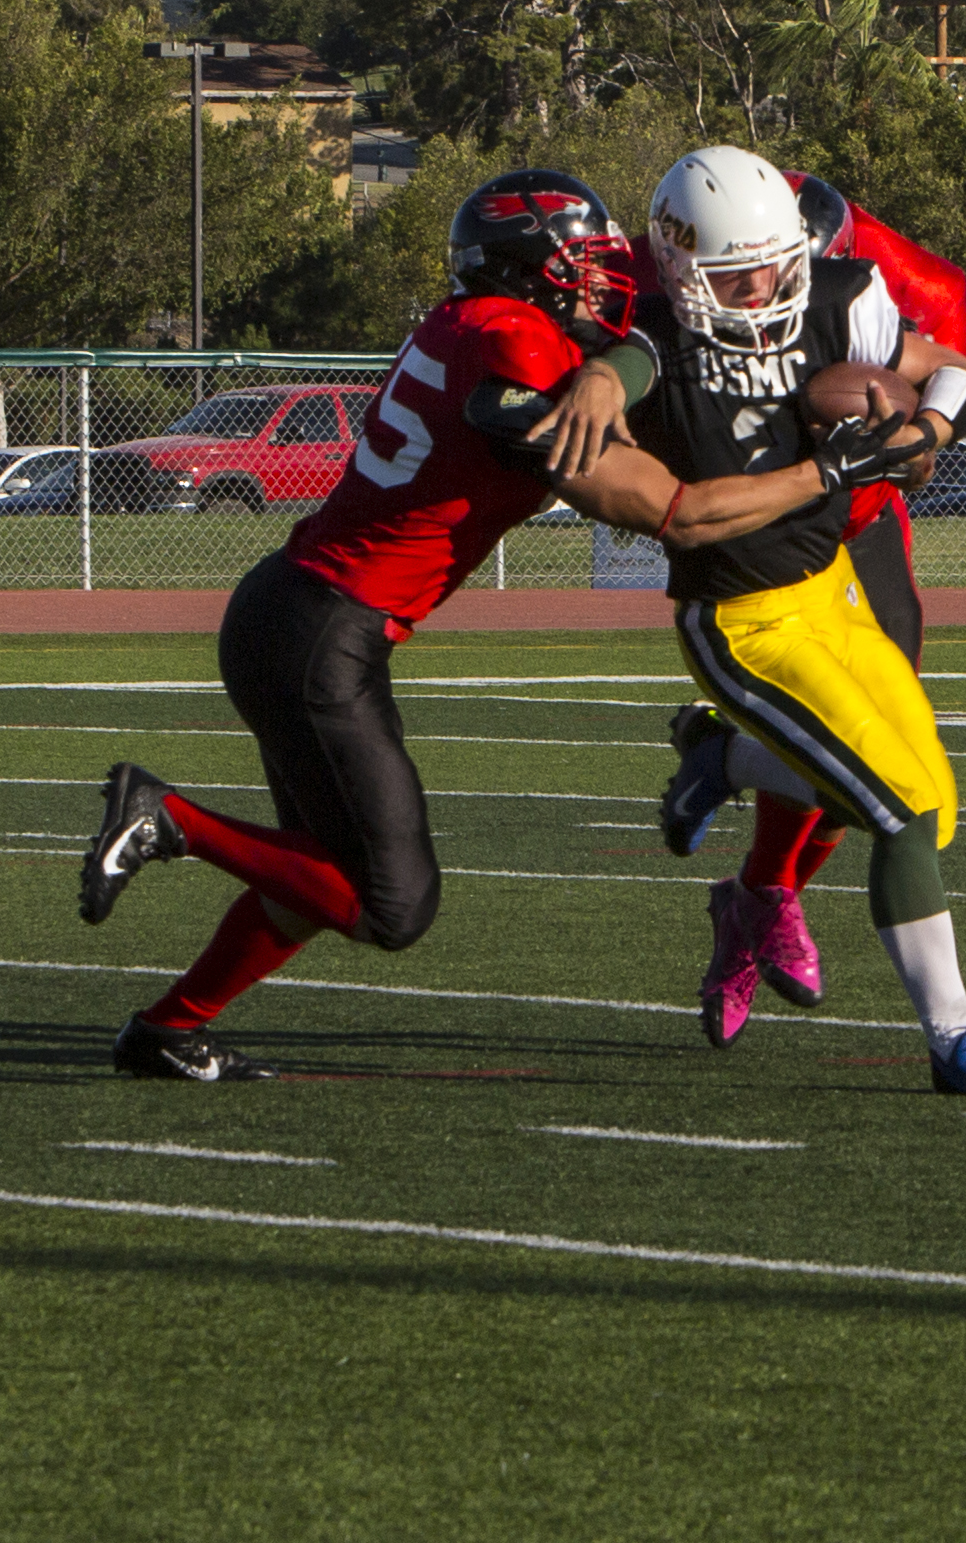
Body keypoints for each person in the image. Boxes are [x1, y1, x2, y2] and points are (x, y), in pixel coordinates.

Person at [77, 169, 861, 1081]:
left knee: (319, 872)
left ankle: (170, 1027)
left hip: (295, 614)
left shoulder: (478, 325)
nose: (602, 278)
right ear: (529, 267)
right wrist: (822, 474)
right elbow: (671, 511)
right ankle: (165, 815)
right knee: (390, 903)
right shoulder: (513, 339)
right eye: (581, 261)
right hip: (321, 635)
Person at [531, 145, 966, 1097]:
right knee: (898, 811)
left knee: (927, 808)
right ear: (678, 266)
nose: (761, 285)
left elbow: (962, 374)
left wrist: (930, 430)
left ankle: (725, 758)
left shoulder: (836, 296)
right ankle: (955, 1038)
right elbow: (630, 380)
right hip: (741, 622)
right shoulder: (659, 335)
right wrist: (593, 380)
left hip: (830, 590)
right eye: (734, 270)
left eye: (772, 260)